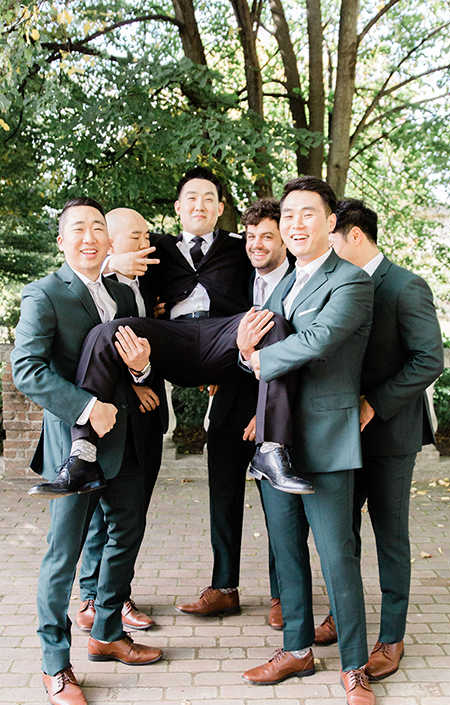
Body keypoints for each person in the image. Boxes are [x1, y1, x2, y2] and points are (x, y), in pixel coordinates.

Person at [30, 167, 312, 499]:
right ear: (178, 207)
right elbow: (95, 262)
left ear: (220, 209)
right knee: (106, 332)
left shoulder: (240, 245)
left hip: (224, 340)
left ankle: (272, 449)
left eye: (209, 199)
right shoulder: (159, 247)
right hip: (172, 339)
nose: (200, 205)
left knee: (272, 322)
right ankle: (83, 456)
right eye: (191, 198)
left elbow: (280, 256)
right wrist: (113, 263)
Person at [11, 198, 163, 705]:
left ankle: (107, 632)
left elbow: (130, 366)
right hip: (72, 447)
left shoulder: (122, 292)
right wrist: (84, 406)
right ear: (62, 240)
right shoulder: (45, 294)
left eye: (98, 228)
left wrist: (141, 373)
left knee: (128, 531)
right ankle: (56, 664)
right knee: (63, 554)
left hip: (127, 443)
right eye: (78, 229)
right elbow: (27, 369)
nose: (90, 237)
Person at [238, 177, 377, 705]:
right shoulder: (281, 283)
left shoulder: (352, 282)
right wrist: (245, 355)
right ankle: (296, 651)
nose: (295, 224)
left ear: (330, 222)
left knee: (337, 556)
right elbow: (254, 341)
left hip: (326, 436)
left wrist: (252, 356)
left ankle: (354, 667)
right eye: (288, 214)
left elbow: (316, 343)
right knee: (287, 552)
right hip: (277, 439)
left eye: (307, 215)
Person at [314, 198, 444, 680]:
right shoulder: (331, 283)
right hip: (338, 434)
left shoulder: (406, 285)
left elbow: (429, 360)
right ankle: (341, 616)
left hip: (390, 433)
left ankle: (391, 637)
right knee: (339, 534)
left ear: (353, 235)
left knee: (390, 537)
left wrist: (374, 403)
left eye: (330, 238)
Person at [176, 198, 294, 621]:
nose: (257, 244)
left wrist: (265, 414)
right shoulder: (238, 280)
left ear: (285, 239)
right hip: (227, 405)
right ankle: (224, 587)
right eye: (251, 236)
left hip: (273, 415)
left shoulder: (299, 284)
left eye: (268, 236)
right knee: (222, 500)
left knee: (278, 507)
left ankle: (286, 595)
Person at [75, 208, 168, 634]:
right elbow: (93, 359)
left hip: (146, 418)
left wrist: (144, 376)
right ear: (111, 244)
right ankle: (94, 598)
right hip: (106, 419)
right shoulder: (96, 282)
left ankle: (114, 593)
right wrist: (134, 386)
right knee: (100, 515)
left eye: (147, 233)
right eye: (136, 236)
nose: (146, 242)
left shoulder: (148, 283)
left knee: (132, 512)